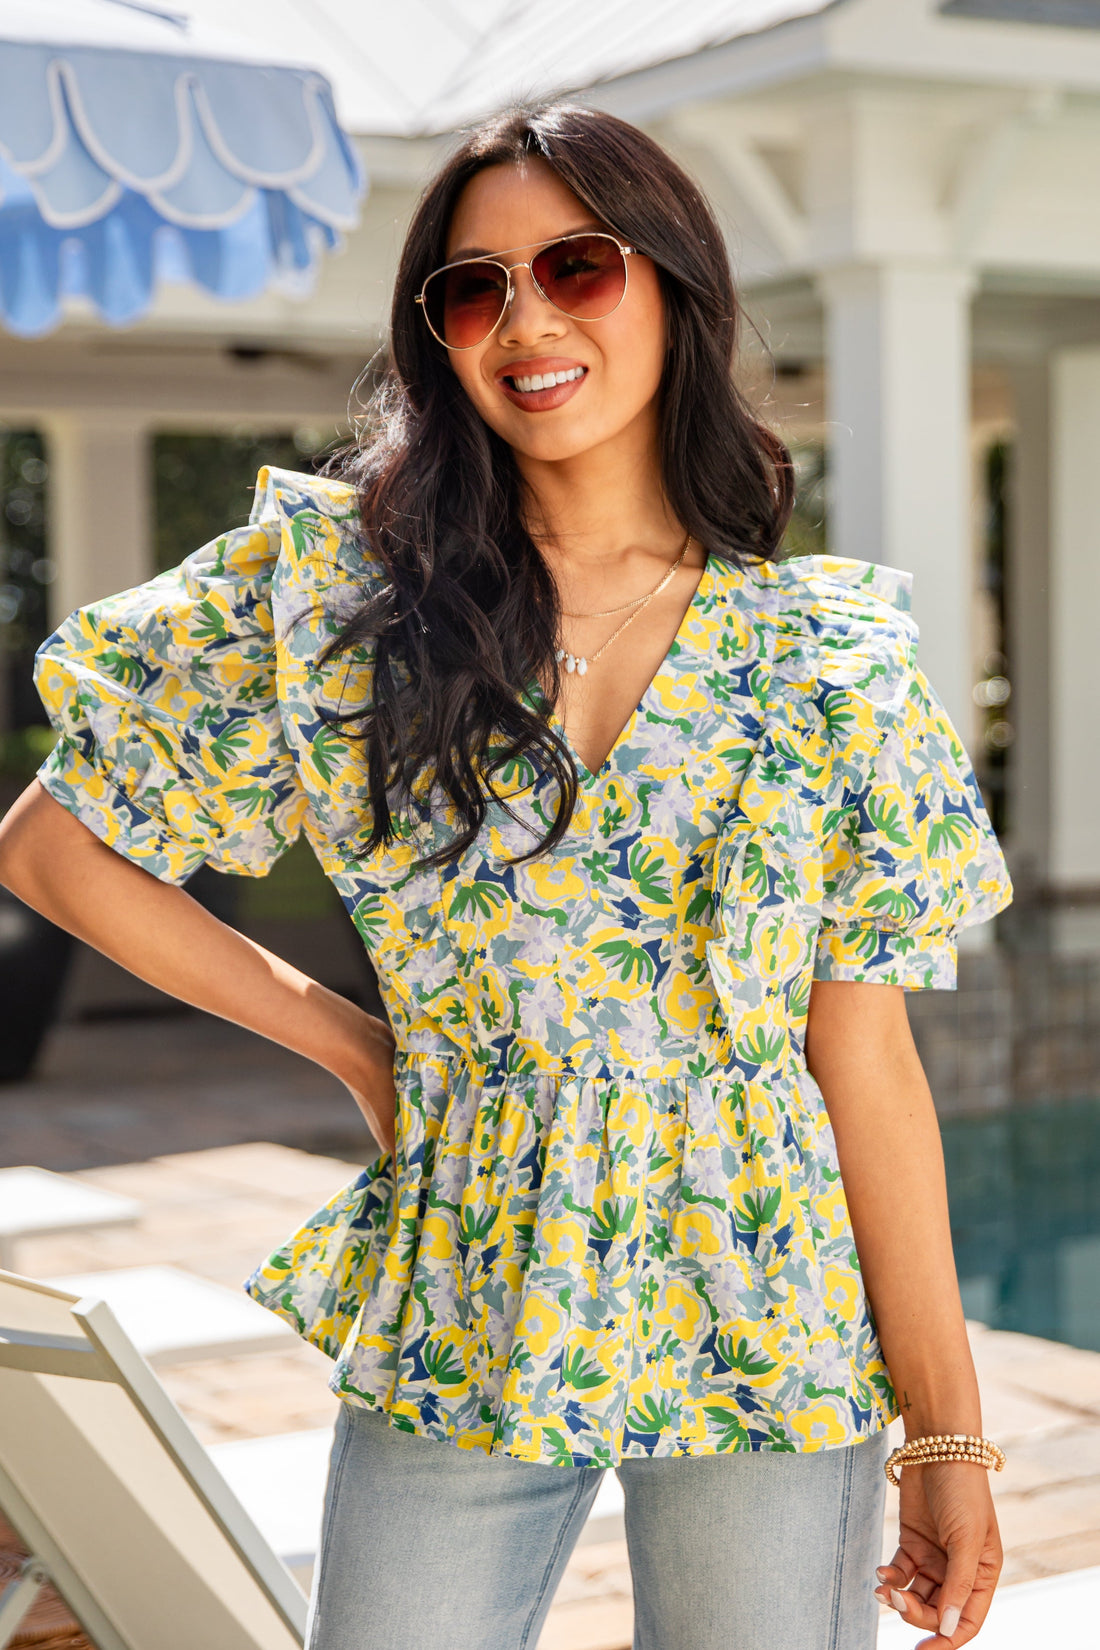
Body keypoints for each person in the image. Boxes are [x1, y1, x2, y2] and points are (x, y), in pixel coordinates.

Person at [0, 103, 1013, 1650]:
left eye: (578, 266)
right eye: (473, 290)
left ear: (673, 286)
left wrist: (946, 1437)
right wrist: (353, 1042)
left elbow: (862, 1054)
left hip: (768, 1290)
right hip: (468, 1266)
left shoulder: (826, 656)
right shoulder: (337, 589)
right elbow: (54, 850)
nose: (526, 320)